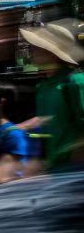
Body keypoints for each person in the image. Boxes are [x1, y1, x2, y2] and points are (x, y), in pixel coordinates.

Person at [17, 19, 84, 171]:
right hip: (55, 172)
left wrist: (75, 166)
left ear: (51, 54)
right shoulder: (43, 88)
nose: (31, 52)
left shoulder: (76, 82)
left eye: (36, 48)